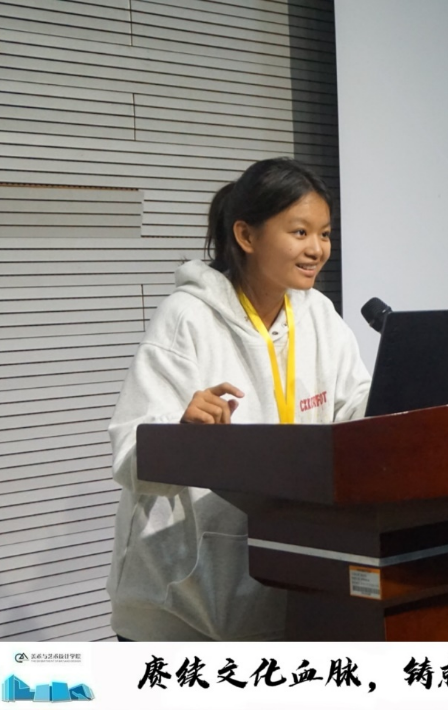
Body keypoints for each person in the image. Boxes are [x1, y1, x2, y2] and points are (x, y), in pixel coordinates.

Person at [106, 158, 372, 641]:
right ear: (247, 236)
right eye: (300, 232)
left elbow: (354, 414)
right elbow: (129, 454)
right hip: (176, 604)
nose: (317, 249)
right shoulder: (187, 317)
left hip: (274, 585)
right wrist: (181, 432)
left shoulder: (319, 315)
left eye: (325, 234)